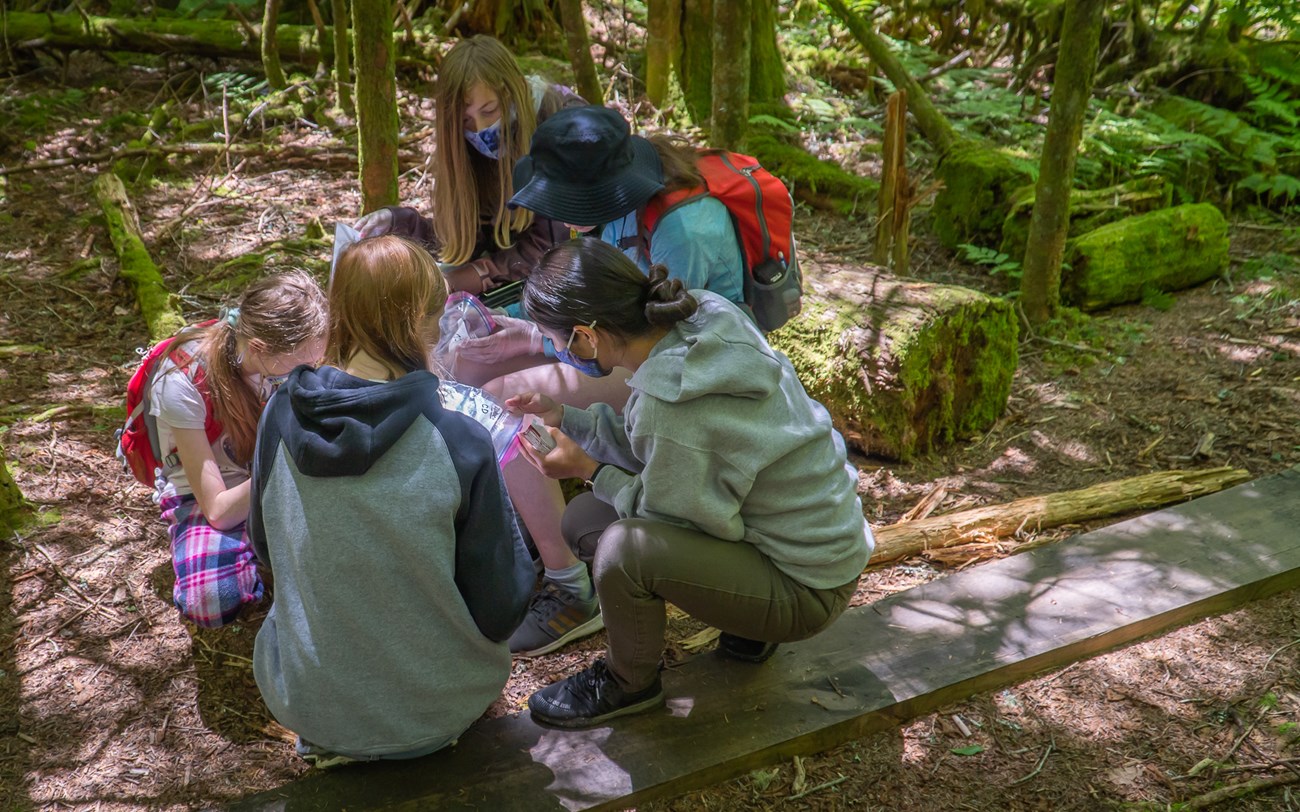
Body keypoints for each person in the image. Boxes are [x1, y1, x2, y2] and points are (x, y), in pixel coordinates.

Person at [508, 238, 873, 728]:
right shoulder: (703, 315)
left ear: (585, 337)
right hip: (822, 547)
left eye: (554, 340)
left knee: (621, 549)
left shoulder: (671, 403)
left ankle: (627, 682)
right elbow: (659, 450)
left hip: (807, 590)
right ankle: (749, 626)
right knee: (585, 519)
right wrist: (565, 418)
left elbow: (669, 521)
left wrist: (588, 471)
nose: (556, 351)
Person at [248, 235, 534, 766]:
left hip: (311, 705)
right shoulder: (458, 437)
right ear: (425, 325)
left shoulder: (279, 416)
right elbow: (502, 603)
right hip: (442, 708)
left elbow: (265, 549)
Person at [149, 270, 328, 629]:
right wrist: (287, 464)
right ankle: (254, 558)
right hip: (218, 490)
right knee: (212, 600)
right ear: (260, 349)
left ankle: (265, 548)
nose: (313, 372)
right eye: (303, 365)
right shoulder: (181, 381)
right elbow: (217, 510)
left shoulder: (282, 354)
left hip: (270, 467)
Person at [355, 35, 583, 303]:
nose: (480, 129)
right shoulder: (469, 152)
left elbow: (555, 248)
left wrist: (471, 276)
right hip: (512, 287)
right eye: (466, 121)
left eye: (490, 110)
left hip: (568, 290)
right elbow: (460, 243)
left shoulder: (565, 125)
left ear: (512, 92)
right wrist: (399, 224)